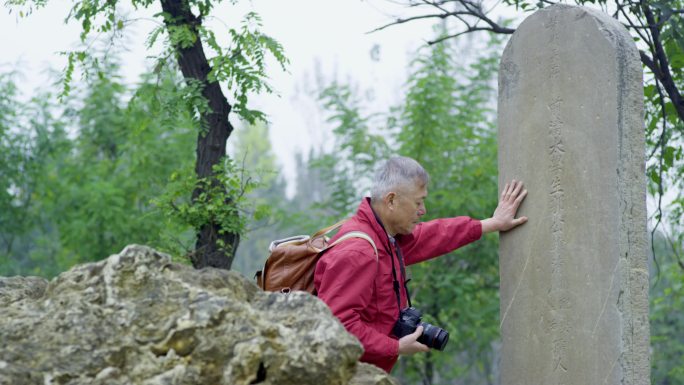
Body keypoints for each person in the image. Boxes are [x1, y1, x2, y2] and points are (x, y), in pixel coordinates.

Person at [313, 156, 528, 373]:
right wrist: (395, 346)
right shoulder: (359, 252)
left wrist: (490, 224)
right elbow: (337, 326)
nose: (423, 210)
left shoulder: (386, 238)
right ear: (391, 201)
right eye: (418, 202)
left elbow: (435, 235)